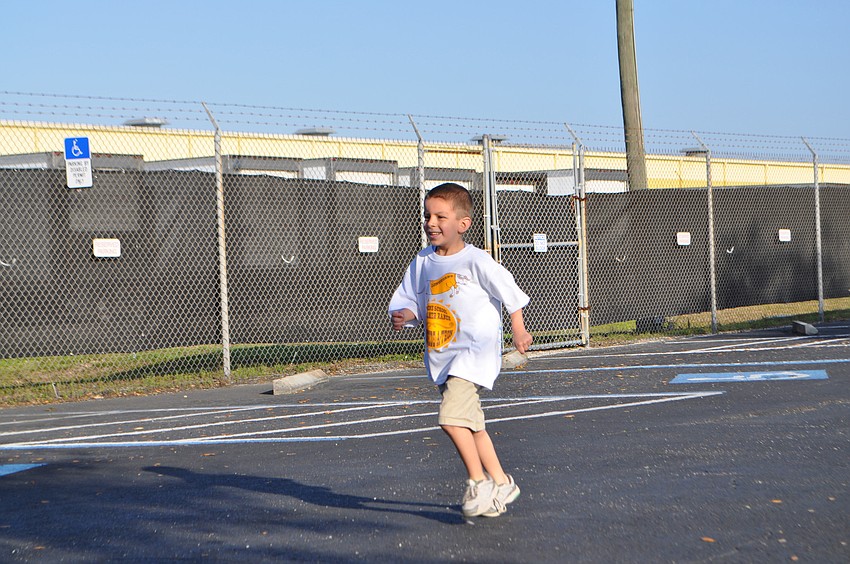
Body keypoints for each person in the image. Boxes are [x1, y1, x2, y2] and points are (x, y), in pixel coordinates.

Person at [389, 182, 533, 518]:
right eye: (428, 215)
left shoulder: (477, 260)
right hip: (443, 352)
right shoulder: (423, 261)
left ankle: (478, 481)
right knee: (471, 425)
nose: (431, 222)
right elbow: (413, 299)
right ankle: (502, 482)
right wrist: (407, 314)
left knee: (451, 419)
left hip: (474, 353)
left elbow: (509, 291)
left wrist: (519, 327)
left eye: (441, 216)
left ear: (462, 224)